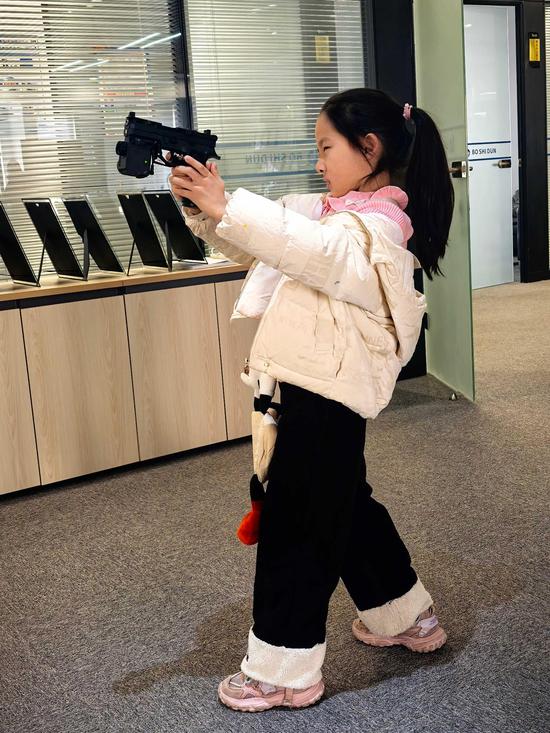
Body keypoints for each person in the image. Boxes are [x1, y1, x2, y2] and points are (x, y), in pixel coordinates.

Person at [168, 88, 454, 713]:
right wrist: (206, 206)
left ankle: (284, 672)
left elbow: (312, 249)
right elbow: (263, 241)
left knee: (298, 524)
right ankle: (407, 616)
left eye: (327, 148)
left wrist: (226, 205)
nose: (318, 161)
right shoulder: (335, 210)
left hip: (327, 390)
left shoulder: (376, 227)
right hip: (313, 382)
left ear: (369, 149)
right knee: (343, 502)